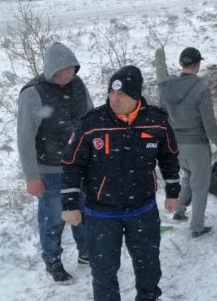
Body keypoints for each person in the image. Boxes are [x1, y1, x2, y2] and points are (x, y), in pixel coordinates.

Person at [61, 65, 180, 301]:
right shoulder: (92, 123)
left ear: (135, 96)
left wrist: (173, 192)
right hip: (101, 212)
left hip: (143, 209)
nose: (114, 98)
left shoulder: (156, 121)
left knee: (149, 268)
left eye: (121, 94)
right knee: (104, 273)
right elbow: (71, 163)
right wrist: (70, 204)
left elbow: (169, 156)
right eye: (111, 92)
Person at [16, 41, 91, 284]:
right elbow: (25, 137)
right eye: (64, 69)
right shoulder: (33, 93)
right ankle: (53, 262)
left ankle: (87, 253)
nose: (69, 74)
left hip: (79, 165)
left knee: (82, 211)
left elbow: (90, 120)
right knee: (53, 219)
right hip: (50, 170)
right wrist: (32, 177)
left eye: (72, 68)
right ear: (50, 69)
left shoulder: (78, 85)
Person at [158, 47, 217, 238]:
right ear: (198, 65)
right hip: (197, 145)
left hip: (176, 146)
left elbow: (162, 117)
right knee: (200, 187)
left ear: (181, 64)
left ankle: (180, 211)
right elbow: (209, 124)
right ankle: (197, 227)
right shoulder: (201, 89)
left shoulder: (166, 88)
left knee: (187, 177)